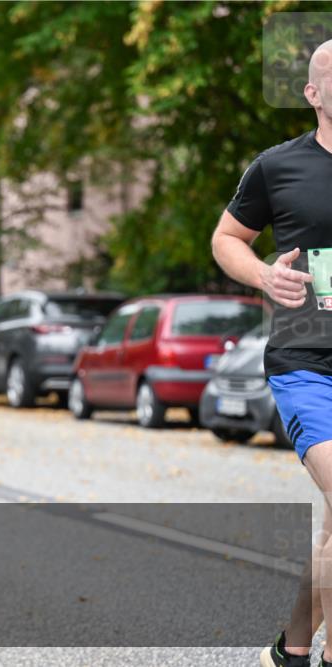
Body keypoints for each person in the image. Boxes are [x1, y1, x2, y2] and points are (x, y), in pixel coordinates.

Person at [210, 40, 332, 667]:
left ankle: (289, 650)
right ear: (313, 94)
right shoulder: (279, 166)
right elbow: (227, 238)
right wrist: (263, 276)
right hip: (307, 362)